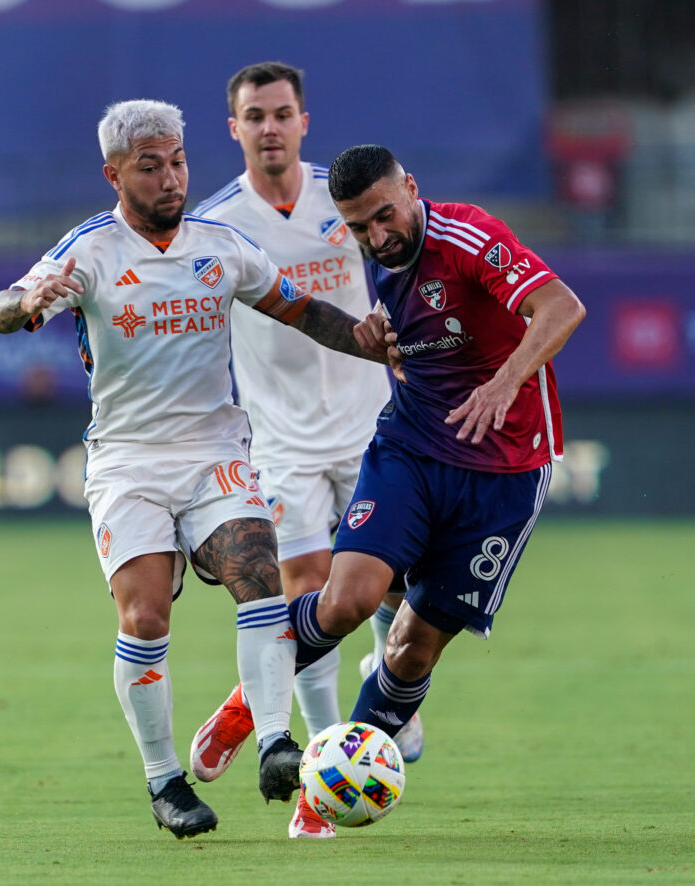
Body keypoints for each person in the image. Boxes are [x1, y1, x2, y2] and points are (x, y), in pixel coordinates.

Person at [0, 102, 390, 840]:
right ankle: (165, 780)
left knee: (260, 576)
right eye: (150, 166)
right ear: (114, 174)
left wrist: (377, 347)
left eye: (177, 162)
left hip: (215, 451)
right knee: (144, 617)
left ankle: (273, 742)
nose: (171, 178)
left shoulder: (221, 246)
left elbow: (298, 310)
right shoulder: (90, 252)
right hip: (128, 461)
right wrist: (20, 304)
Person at [192, 144, 586, 834]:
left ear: (412, 188)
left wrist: (505, 381)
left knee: (409, 649)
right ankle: (248, 705)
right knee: (347, 601)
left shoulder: (468, 235)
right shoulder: (371, 254)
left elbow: (562, 306)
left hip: (507, 472)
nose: (377, 237)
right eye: (359, 226)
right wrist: (373, 331)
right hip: (409, 449)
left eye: (384, 217)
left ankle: (322, 797)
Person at [187, 62, 422, 840]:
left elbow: (405, 271)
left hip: (374, 430)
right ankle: (319, 793)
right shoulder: (216, 223)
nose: (270, 128)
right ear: (235, 129)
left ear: (303, 121)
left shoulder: (345, 199)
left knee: (401, 593)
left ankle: (241, 705)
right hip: (280, 443)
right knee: (315, 597)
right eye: (254, 116)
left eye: (282, 114)